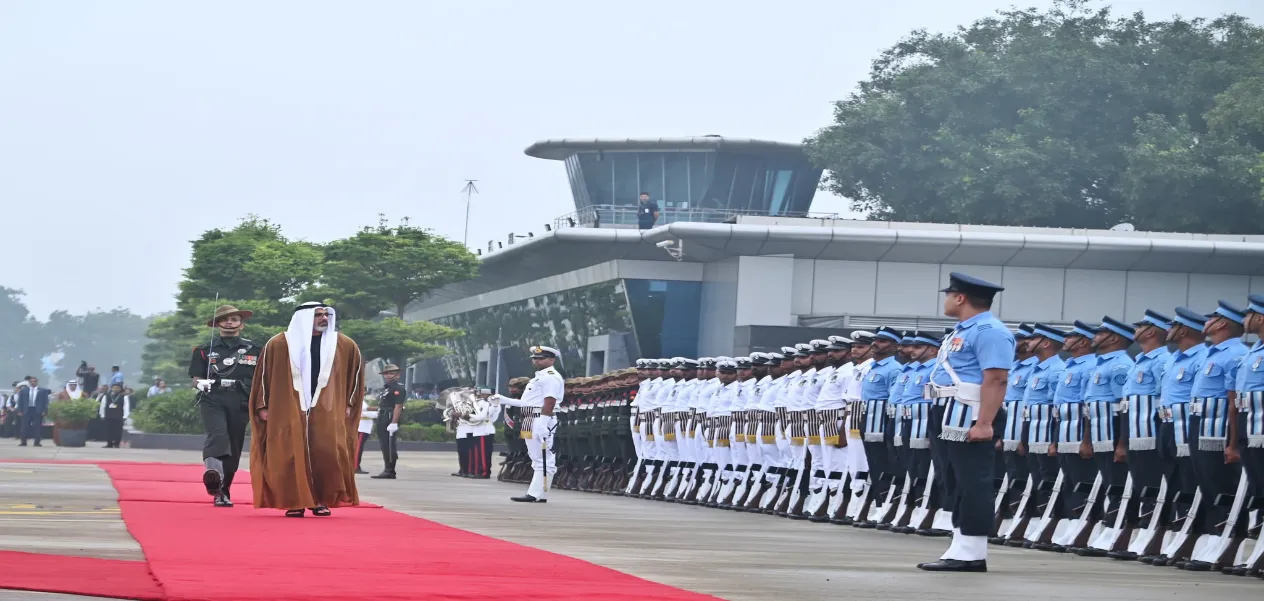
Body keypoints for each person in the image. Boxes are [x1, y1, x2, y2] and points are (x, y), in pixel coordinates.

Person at [918, 272, 1014, 572]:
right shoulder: (963, 330)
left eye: (949, 294)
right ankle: (959, 545)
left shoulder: (989, 331)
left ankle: (972, 551)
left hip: (970, 413)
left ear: (960, 297)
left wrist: (985, 423)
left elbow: (996, 379)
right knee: (954, 480)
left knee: (973, 481)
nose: (946, 299)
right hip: (947, 410)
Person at [248, 302, 365, 517]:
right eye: (318, 315)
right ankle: (294, 501)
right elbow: (263, 377)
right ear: (304, 318)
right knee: (289, 453)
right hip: (287, 407)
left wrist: (349, 404)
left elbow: (356, 376)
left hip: (328, 409)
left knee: (327, 453)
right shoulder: (279, 344)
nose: (324, 319)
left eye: (325, 315)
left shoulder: (344, 345)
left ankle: (321, 500)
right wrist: (262, 405)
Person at [189, 305, 263, 507]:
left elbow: (262, 379)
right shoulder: (204, 350)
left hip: (240, 400)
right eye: (225, 319)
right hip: (213, 398)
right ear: (217, 324)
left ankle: (224, 490)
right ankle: (214, 477)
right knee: (218, 435)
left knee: (234, 446)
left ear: (242, 324)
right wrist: (200, 383)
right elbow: (195, 378)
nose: (230, 322)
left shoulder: (255, 350)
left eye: (234, 319)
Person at [491, 345, 565, 503]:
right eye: (535, 358)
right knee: (536, 457)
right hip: (529, 417)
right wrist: (504, 400)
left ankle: (536, 494)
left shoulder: (550, 376)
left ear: (551, 360)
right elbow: (527, 403)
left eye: (541, 358)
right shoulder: (538, 377)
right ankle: (538, 493)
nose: (537, 361)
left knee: (545, 457)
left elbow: (550, 401)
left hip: (540, 417)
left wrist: (543, 423)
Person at [371, 364, 405, 479]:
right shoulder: (387, 388)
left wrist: (394, 422)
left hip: (389, 417)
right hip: (382, 416)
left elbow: (398, 406)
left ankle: (390, 470)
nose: (389, 375)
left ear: (397, 375)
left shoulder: (398, 388)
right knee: (384, 445)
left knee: (389, 445)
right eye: (387, 373)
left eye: (391, 373)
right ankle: (387, 468)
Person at [16, 377, 51, 447]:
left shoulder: (42, 391)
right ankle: (23, 442)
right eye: (31, 381)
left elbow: (46, 402)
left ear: (37, 382)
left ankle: (37, 442)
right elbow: (20, 401)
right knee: (24, 426)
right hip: (27, 410)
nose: (32, 383)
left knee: (37, 426)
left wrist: (44, 411)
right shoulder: (24, 390)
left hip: (37, 410)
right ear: (29, 382)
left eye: (34, 381)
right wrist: (20, 410)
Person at [98, 383, 130, 448]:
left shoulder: (124, 396)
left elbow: (126, 407)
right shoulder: (106, 395)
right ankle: (109, 443)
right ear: (112, 388)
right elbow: (102, 405)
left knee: (118, 430)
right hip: (108, 415)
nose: (116, 389)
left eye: (118, 388)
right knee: (108, 430)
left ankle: (117, 443)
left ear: (120, 389)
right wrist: (102, 415)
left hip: (119, 416)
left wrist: (125, 416)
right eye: (114, 388)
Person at [356, 399, 378, 474]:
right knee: (358, 448)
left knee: (359, 448)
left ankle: (356, 466)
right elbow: (366, 412)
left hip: (365, 427)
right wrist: (379, 412)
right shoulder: (359, 400)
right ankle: (355, 466)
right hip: (362, 427)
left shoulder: (363, 400)